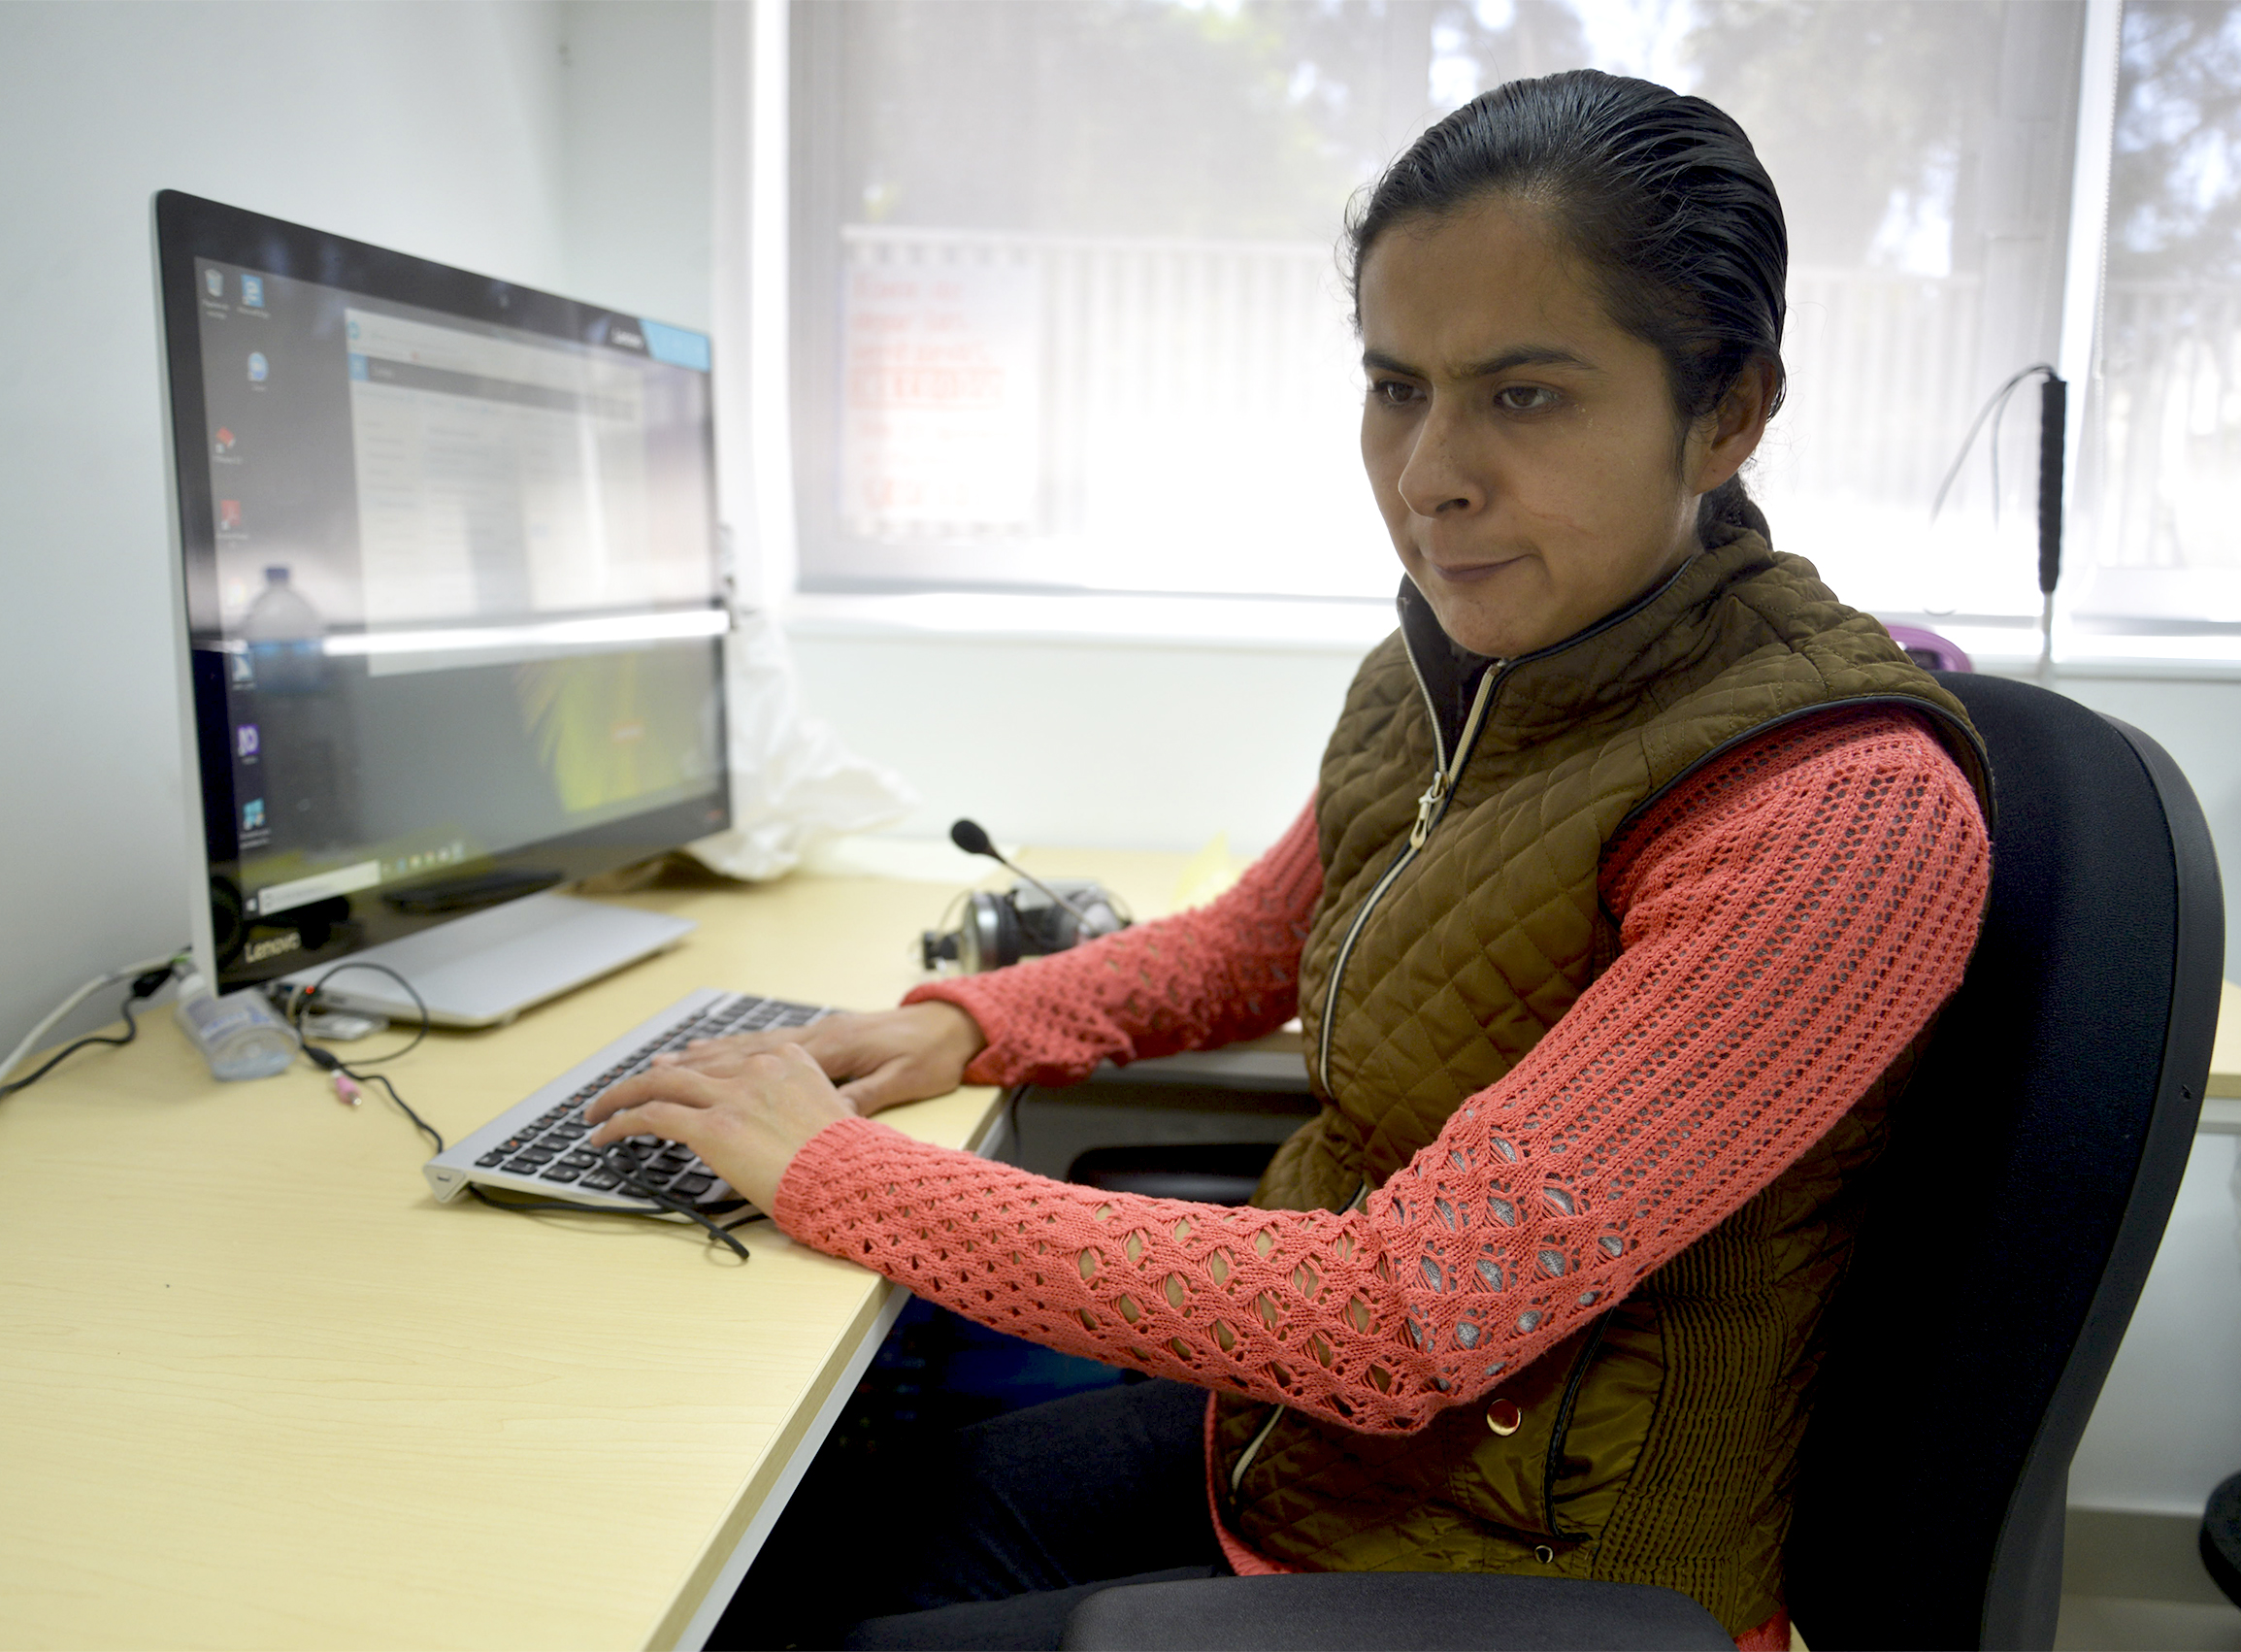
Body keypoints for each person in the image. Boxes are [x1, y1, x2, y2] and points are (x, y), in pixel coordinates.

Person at [590, 68, 1993, 1651]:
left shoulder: (1837, 806)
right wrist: (963, 1028)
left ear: (1727, 410)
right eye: (1397, 387)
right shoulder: (1458, 666)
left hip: (1527, 1577)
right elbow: (1251, 946)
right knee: (754, 1563)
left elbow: (1404, 1315)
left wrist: (836, 1173)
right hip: (1304, 1457)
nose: (1428, 474)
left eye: (1522, 395)